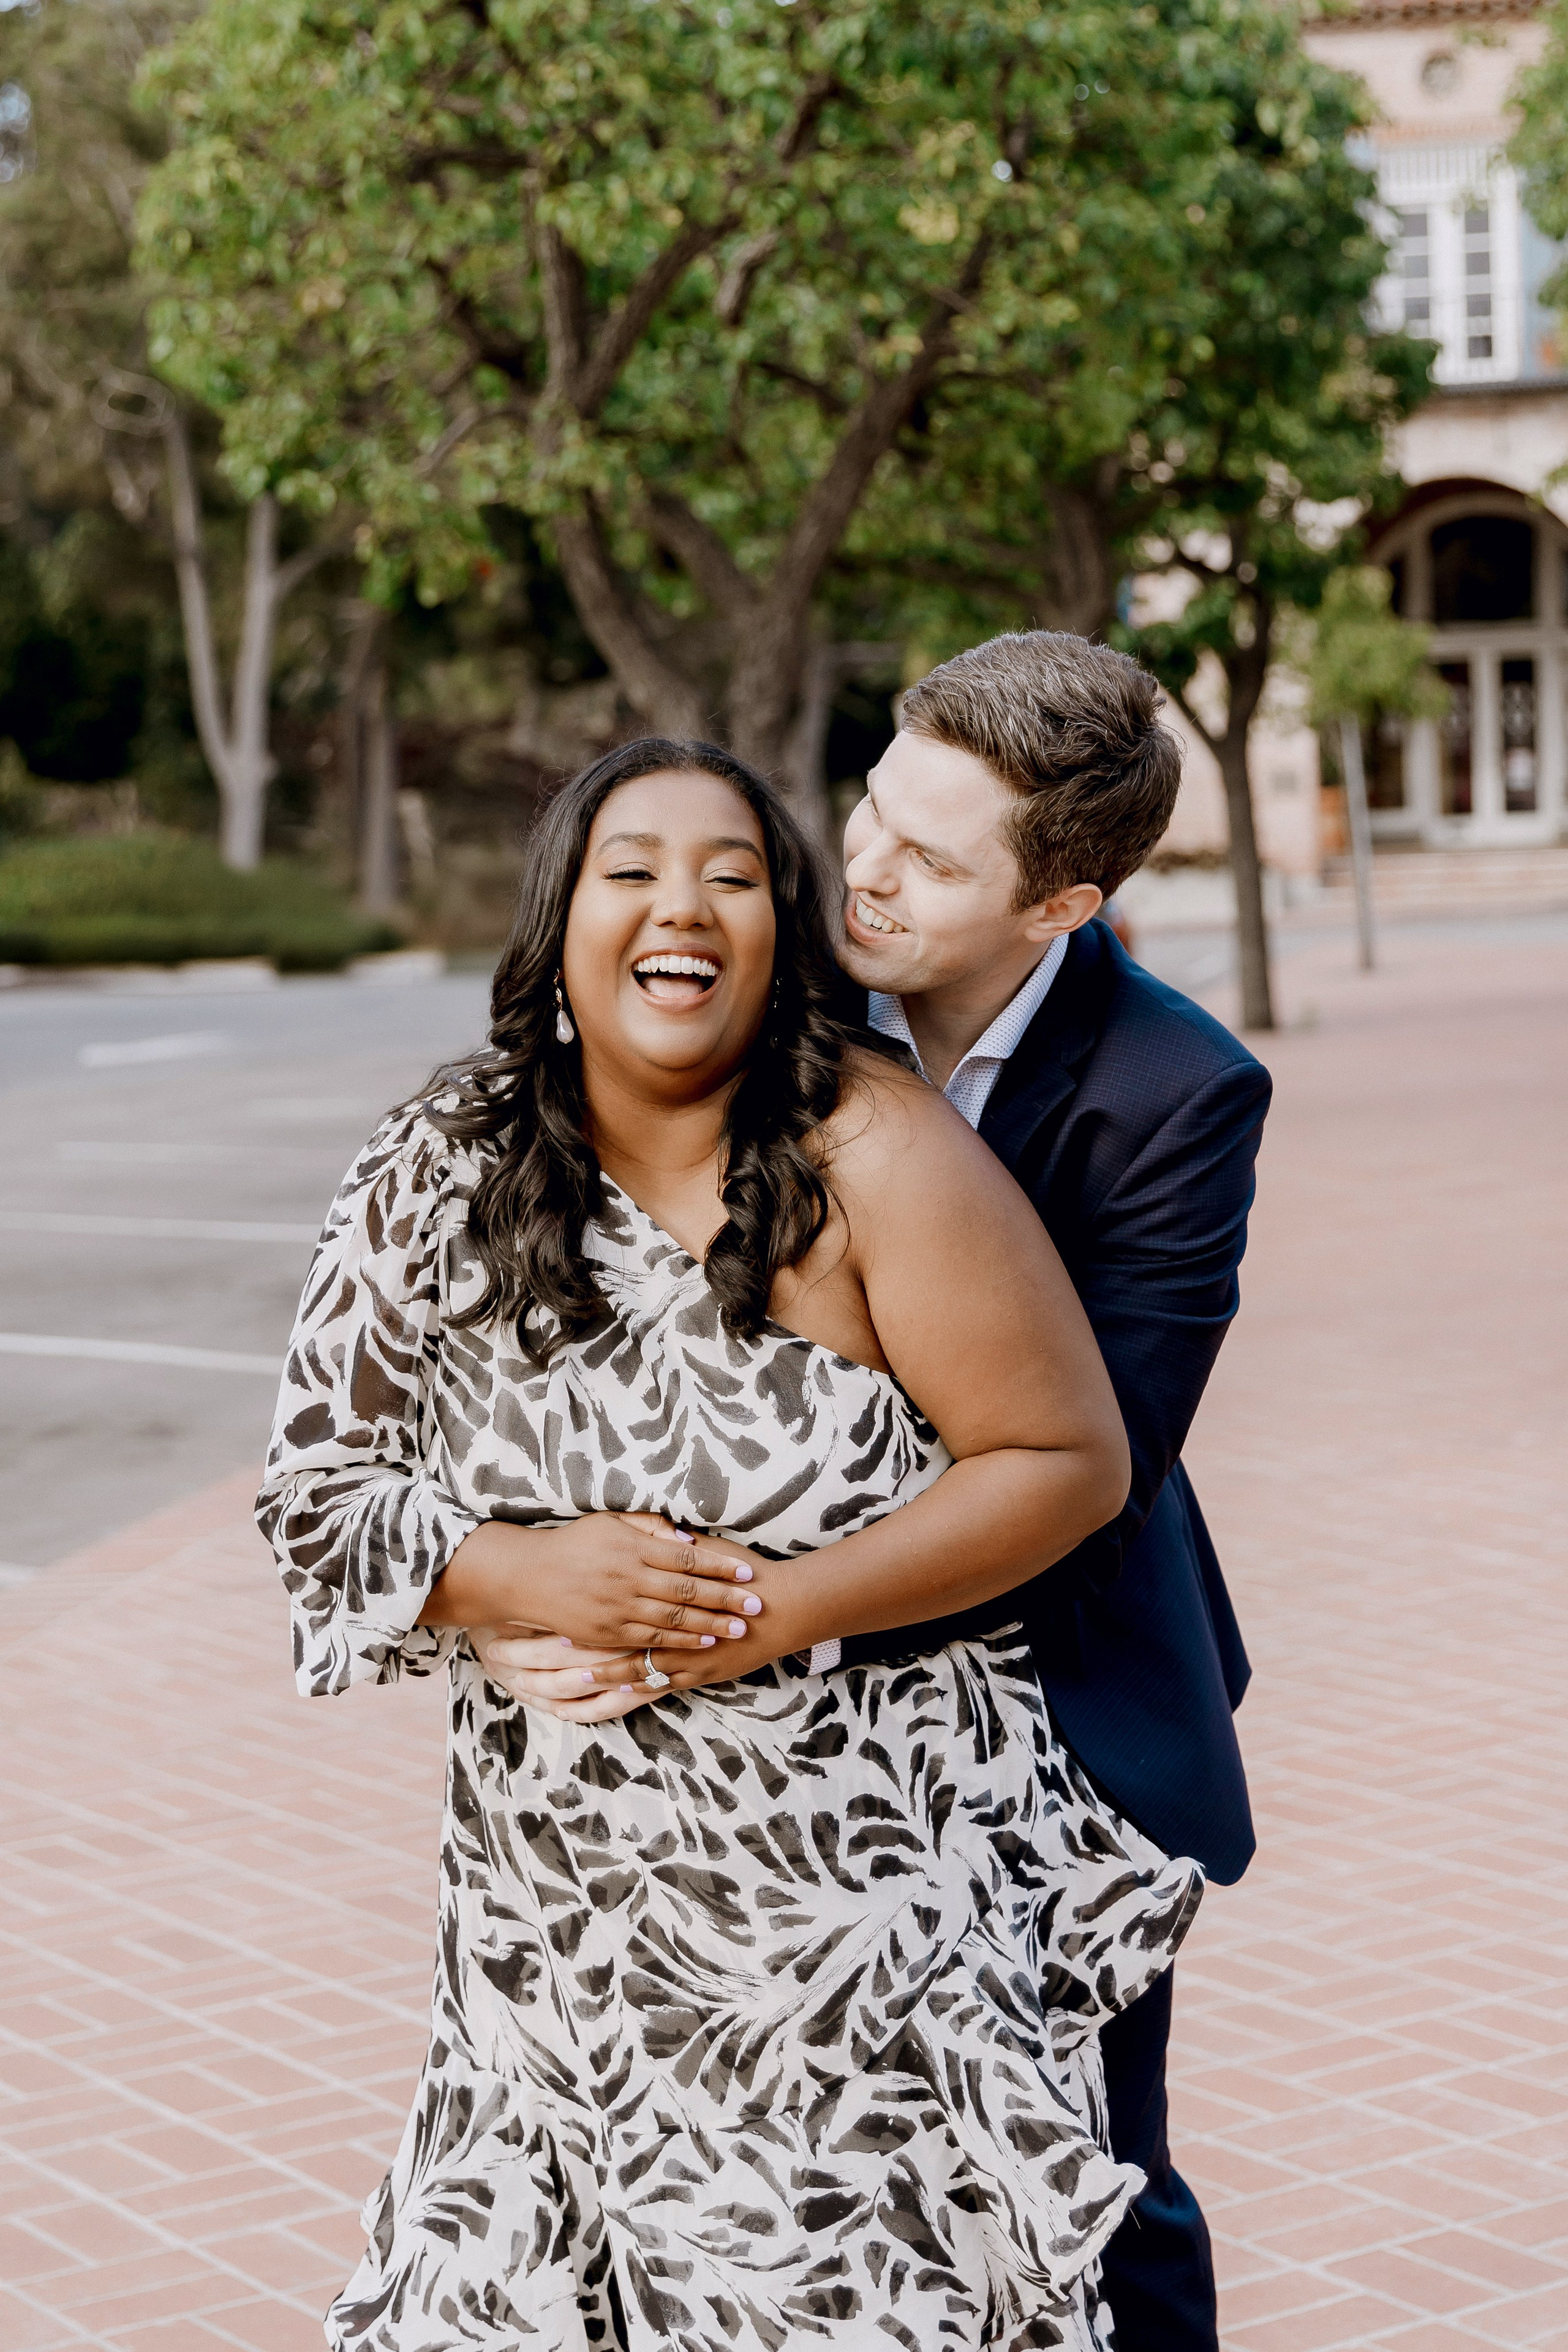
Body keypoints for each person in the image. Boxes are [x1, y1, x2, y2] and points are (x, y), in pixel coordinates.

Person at [260, 734, 1205, 2352]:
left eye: (733, 874)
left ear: (785, 929)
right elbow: (316, 1498)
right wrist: (513, 1574)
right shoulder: (442, 1162)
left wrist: (778, 1607)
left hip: (841, 1947)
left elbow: (1060, 1460)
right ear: (561, 916)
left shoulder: (874, 1150)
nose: (677, 905)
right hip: (546, 1940)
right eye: (630, 869)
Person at [483, 635, 1270, 2352]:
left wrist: (717, 1602)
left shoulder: (1176, 1095)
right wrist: (545, 1582)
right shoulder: (776, 990)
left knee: (1083, 2181)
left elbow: (1094, 1468)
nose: (868, 868)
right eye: (870, 808)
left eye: (932, 854)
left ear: (1061, 905)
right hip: (744, 1733)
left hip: (1060, 1704)